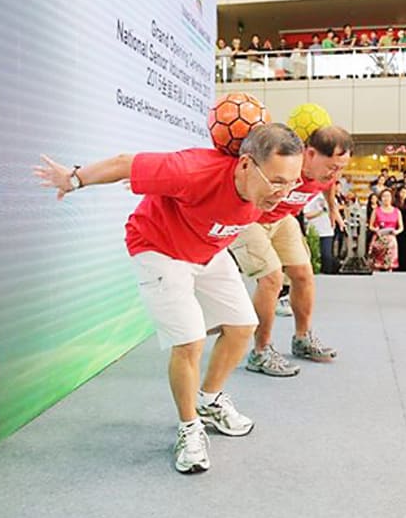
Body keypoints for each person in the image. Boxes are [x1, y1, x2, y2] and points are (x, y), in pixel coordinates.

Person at [33, 124, 304, 474]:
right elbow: (123, 163)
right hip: (158, 248)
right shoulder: (193, 170)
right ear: (246, 164)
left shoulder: (272, 192)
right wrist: (73, 179)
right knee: (188, 341)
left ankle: (209, 400)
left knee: (242, 326)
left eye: (292, 181)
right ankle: (189, 428)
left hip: (207, 249)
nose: (284, 192)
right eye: (278, 181)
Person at [229, 126, 353, 379]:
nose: (335, 174)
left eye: (341, 167)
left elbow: (329, 184)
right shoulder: (284, 165)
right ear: (310, 154)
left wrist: (333, 207)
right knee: (272, 278)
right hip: (249, 220)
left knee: (303, 274)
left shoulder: (326, 174)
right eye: (332, 166)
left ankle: (302, 338)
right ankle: (261, 351)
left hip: (282, 219)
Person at [368, 188, 403, 271]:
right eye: (384, 196)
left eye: (388, 196)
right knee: (376, 265)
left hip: (391, 240)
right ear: (380, 198)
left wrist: (396, 232)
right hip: (378, 239)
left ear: (392, 198)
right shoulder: (376, 210)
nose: (386, 198)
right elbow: (370, 226)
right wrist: (375, 229)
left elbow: (401, 227)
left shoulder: (397, 211)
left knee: (389, 265)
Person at [303, 192, 335, 275]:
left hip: (327, 231)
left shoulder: (330, 198)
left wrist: (340, 222)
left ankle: (328, 275)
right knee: (313, 257)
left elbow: (335, 211)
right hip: (314, 232)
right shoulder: (311, 197)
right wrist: (320, 211)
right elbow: (306, 215)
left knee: (327, 256)